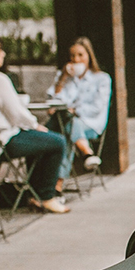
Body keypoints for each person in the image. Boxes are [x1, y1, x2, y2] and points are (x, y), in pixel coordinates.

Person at [0, 32, 69, 214]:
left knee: (36, 142)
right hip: (0, 144)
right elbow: (17, 115)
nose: (3, 54)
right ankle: (46, 197)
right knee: (56, 141)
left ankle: (35, 195)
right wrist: (36, 125)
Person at [48, 37, 112, 187]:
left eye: (80, 55)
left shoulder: (101, 78)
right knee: (67, 127)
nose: (76, 59)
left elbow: (97, 108)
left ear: (89, 56)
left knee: (68, 127)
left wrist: (74, 110)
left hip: (90, 124)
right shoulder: (64, 77)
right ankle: (86, 153)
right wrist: (63, 78)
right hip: (65, 122)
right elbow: (53, 102)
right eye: (72, 56)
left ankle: (57, 185)